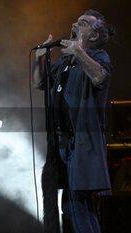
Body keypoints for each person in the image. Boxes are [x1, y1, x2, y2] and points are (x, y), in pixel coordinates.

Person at [33, 9, 115, 233]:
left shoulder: (98, 57)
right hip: (63, 143)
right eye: (76, 22)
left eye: (83, 23)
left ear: (94, 36)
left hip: (83, 142)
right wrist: (40, 57)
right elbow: (40, 83)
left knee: (78, 205)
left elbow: (99, 77)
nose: (75, 24)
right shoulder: (66, 61)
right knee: (69, 206)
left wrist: (79, 52)